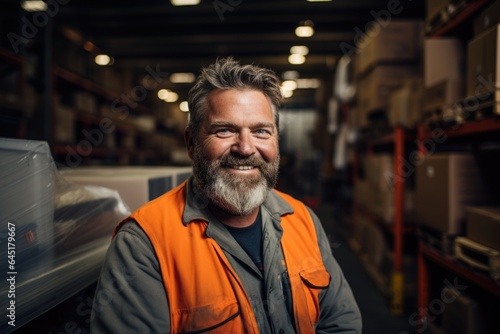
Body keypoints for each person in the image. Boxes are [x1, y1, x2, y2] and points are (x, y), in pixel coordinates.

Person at [90, 57, 362, 333]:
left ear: (276, 142)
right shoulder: (143, 244)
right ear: (191, 144)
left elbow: (341, 322)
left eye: (261, 131)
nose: (245, 148)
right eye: (225, 130)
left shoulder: (302, 220)